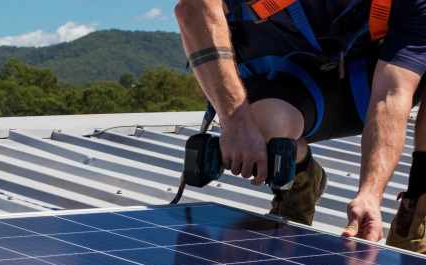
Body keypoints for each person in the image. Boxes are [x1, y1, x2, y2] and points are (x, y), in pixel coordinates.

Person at [175, 0, 426, 250]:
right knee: (265, 131)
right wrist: (235, 121)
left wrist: (370, 193)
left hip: (356, 82)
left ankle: (418, 207)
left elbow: (391, 94)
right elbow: (194, 8)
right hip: (281, 73)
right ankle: (301, 176)